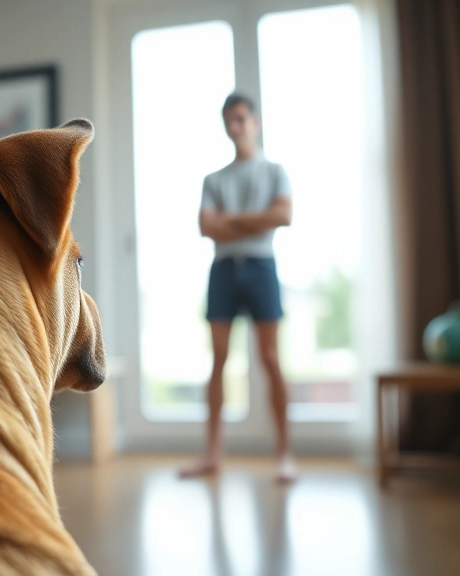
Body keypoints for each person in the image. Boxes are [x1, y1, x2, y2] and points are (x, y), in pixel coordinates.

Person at [179, 93, 295, 482]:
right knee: (219, 361)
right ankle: (212, 452)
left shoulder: (275, 171)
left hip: (262, 268)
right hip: (224, 270)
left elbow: (283, 215)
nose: (235, 127)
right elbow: (206, 227)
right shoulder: (214, 179)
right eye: (229, 120)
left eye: (241, 119)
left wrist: (231, 220)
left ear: (255, 122)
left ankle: (284, 453)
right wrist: (257, 219)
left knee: (270, 358)